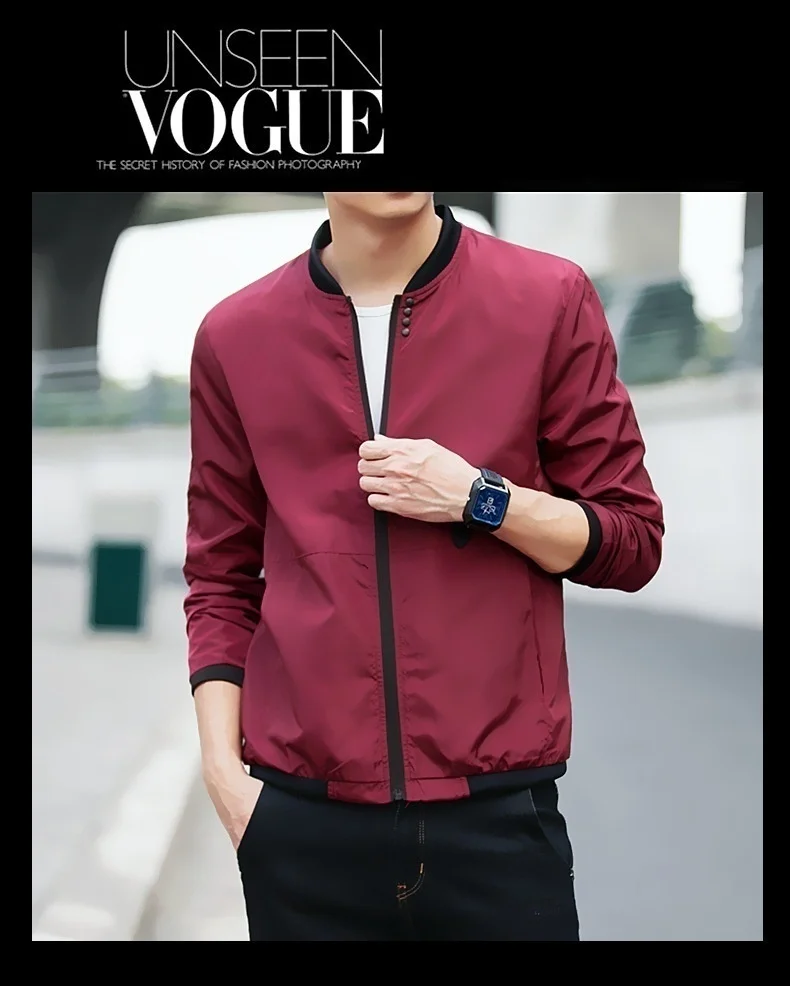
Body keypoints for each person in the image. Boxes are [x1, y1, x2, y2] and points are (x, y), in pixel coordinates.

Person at [184, 192, 664, 942]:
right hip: (302, 829)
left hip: (497, 823)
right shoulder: (236, 335)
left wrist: (480, 497)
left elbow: (632, 541)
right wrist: (224, 777)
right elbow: (220, 577)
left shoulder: (546, 298)